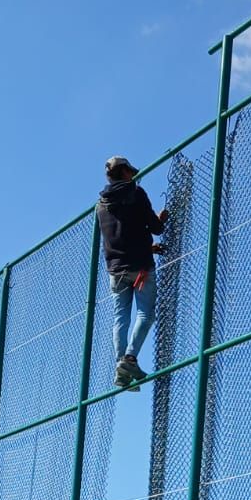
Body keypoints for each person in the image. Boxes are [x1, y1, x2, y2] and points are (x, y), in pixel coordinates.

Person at [96, 156, 167, 390]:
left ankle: (120, 367)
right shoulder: (136, 193)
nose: (134, 175)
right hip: (140, 267)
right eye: (131, 171)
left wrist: (147, 246)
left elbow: (120, 236)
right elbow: (155, 228)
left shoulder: (101, 205)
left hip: (115, 270)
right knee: (146, 314)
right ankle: (130, 359)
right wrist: (159, 220)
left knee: (120, 318)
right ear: (125, 171)